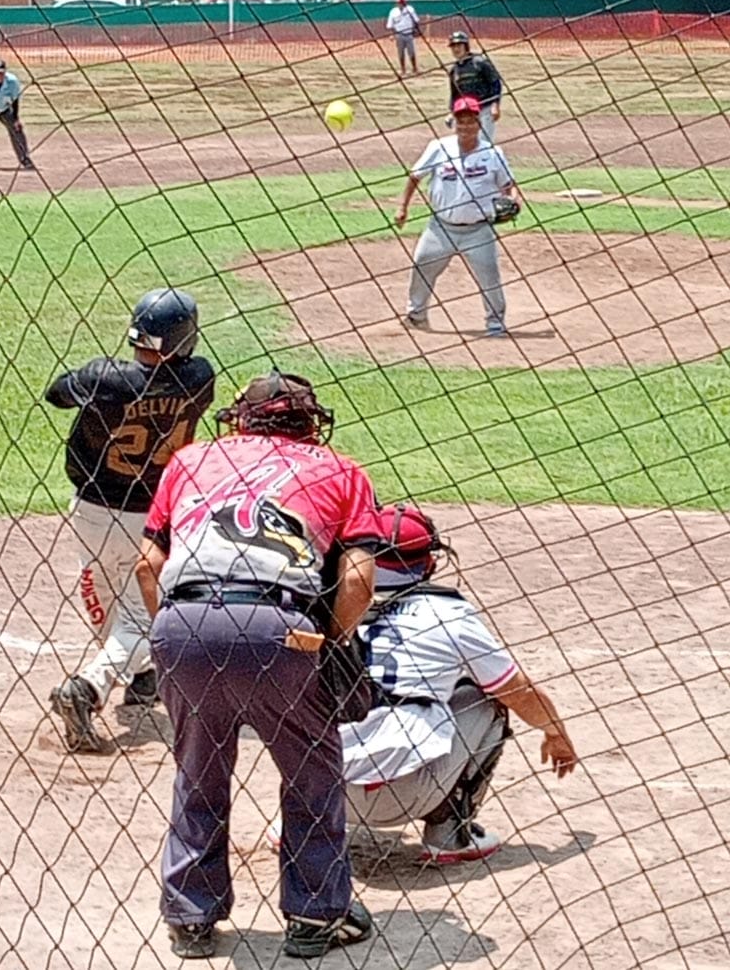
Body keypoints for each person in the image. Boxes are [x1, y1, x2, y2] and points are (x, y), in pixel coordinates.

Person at [135, 370, 381, 960]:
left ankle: (191, 918)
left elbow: (147, 566)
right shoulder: (340, 469)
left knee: (198, 771)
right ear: (308, 422)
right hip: (282, 627)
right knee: (312, 773)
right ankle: (316, 916)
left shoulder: (191, 460)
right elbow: (359, 580)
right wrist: (322, 640)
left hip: (183, 625)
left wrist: (179, 631)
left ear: (242, 418)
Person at [342, 503, 578, 864]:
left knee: (301, 693)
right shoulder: (448, 614)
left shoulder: (325, 602)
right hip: (409, 792)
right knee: (488, 696)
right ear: (428, 562)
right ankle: (450, 835)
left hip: (323, 791)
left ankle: (295, 828)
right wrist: (556, 732)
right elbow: (519, 691)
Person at [47, 288, 215, 753]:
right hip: (153, 517)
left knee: (105, 591)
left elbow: (57, 393)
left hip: (92, 513)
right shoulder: (200, 378)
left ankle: (131, 677)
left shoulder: (107, 378)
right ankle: (101, 681)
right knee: (142, 617)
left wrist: (101, 380)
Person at [395, 94, 520, 337]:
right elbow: (414, 177)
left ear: (479, 123)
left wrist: (515, 199)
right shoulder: (439, 147)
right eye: (460, 121)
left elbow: (509, 184)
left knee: (489, 277)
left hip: (478, 230)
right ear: (454, 122)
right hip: (440, 229)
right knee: (422, 266)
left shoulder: (492, 153)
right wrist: (403, 207)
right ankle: (416, 316)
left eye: (470, 121)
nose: (465, 126)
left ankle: (495, 325)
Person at [446, 31, 503, 143]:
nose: (456, 49)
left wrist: (495, 104)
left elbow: (495, 82)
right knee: (464, 142)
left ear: (466, 46)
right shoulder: (454, 70)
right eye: (453, 46)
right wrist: (451, 112)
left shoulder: (480, 62)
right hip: (465, 112)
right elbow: (455, 94)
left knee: (484, 142)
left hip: (484, 108)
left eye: (459, 45)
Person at [386, 0, 421, 76]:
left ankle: (415, 68)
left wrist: (416, 30)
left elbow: (416, 21)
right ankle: (403, 70)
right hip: (399, 34)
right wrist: (392, 34)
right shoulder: (393, 12)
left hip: (409, 34)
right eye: (399, 3)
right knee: (401, 53)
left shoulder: (410, 10)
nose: (400, 4)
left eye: (402, 2)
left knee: (411, 52)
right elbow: (390, 25)